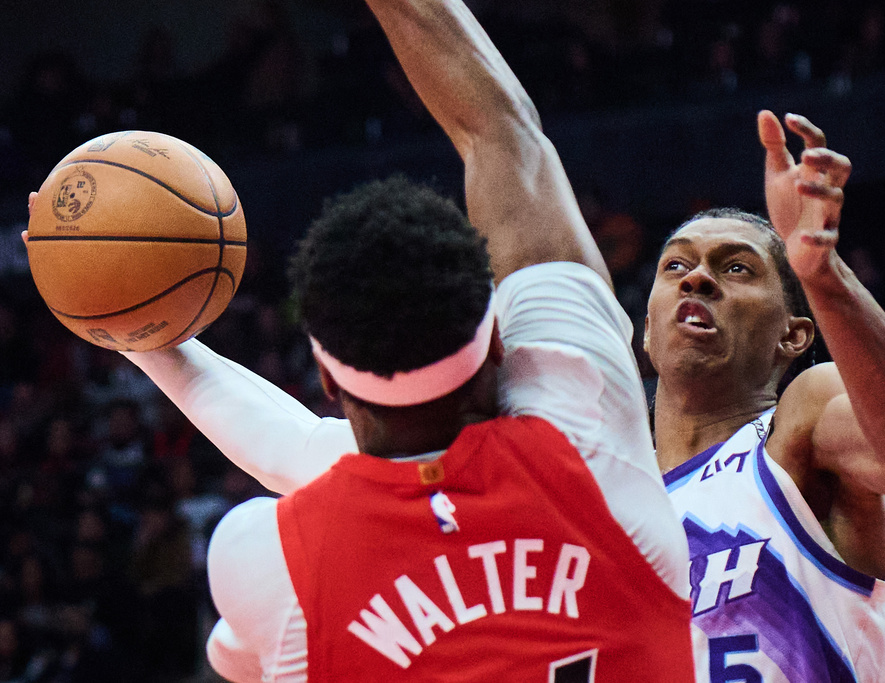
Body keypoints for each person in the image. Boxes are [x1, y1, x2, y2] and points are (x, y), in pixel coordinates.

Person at [22, 0, 699, 680]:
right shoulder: (588, 433)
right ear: (496, 344)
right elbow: (501, 133)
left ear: (327, 378)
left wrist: (114, 308)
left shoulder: (271, 556)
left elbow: (304, 454)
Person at [645, 110, 885, 682]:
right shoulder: (609, 502)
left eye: (736, 267)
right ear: (645, 332)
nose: (697, 279)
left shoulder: (795, 430)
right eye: (676, 266)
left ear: (793, 334)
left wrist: (823, 275)